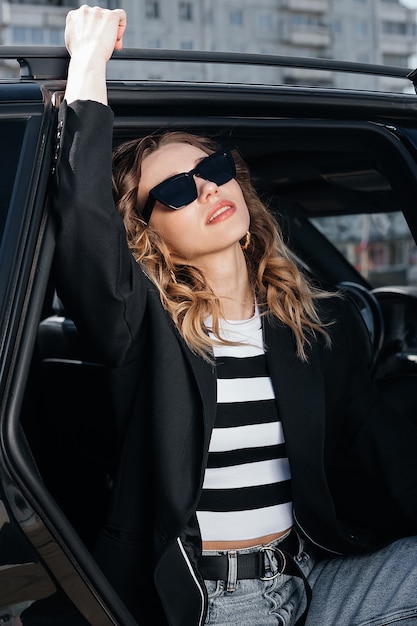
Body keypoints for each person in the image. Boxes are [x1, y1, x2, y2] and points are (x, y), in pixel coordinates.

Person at [51, 5, 417, 625]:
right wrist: (88, 63)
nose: (207, 189)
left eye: (214, 170)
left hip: (307, 576)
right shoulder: (144, 331)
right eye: (173, 192)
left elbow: (381, 450)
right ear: (150, 237)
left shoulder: (309, 328)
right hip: (211, 601)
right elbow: (86, 232)